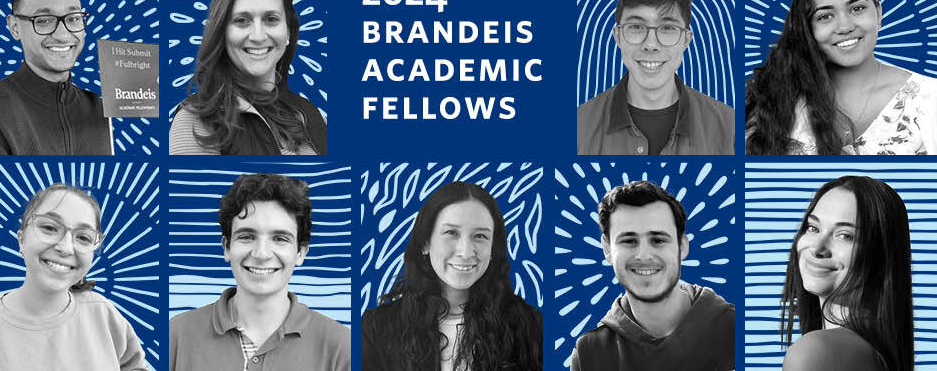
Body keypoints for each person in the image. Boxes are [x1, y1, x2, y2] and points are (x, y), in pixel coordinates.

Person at [746, 0, 937, 154]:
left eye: (857, 9)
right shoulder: (778, 97)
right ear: (808, 28)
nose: (845, 27)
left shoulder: (929, 99)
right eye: (825, 16)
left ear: (878, 12)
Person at [169, 173, 350, 371]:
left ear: (300, 252)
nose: (261, 254)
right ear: (226, 247)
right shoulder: (176, 334)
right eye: (247, 236)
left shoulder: (341, 346)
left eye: (280, 238)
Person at [360, 181, 542, 371]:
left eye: (480, 236)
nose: (465, 252)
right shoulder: (376, 329)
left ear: (493, 249)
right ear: (425, 243)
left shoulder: (531, 326)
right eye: (451, 233)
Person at [0, 184, 147, 369]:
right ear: (21, 238)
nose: (65, 248)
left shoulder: (103, 314)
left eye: (83, 237)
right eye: (49, 227)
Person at [571, 180, 734, 371]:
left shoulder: (735, 329)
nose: (644, 255)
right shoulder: (589, 353)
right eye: (629, 241)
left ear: (682, 246)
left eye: (657, 240)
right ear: (607, 249)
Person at [169, 0, 326, 155]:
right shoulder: (196, 120)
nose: (258, 36)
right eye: (242, 20)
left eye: (271, 19)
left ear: (288, 32)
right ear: (222, 33)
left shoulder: (311, 113)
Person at [577, 0, 734, 154]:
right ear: (618, 36)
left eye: (667, 28)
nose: (651, 45)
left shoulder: (730, 128)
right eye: (636, 27)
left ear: (686, 39)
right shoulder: (576, 129)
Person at [780, 176, 912, 371]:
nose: (817, 248)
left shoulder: (816, 352)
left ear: (881, 253)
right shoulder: (879, 349)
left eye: (845, 236)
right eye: (813, 228)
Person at [0, 0, 111, 155]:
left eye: (73, 18)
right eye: (43, 20)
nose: (63, 34)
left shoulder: (102, 109)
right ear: (14, 27)